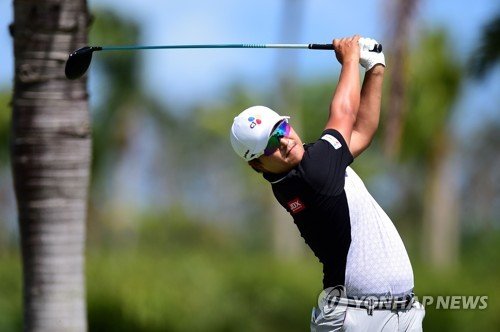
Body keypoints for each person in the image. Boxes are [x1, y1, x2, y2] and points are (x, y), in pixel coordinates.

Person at [229, 35, 425, 331]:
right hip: (356, 317)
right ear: (257, 163)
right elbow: (344, 114)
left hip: (399, 314)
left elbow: (360, 134)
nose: (284, 141)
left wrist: (375, 68)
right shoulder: (313, 173)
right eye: (270, 143)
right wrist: (349, 59)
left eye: (281, 127)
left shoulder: (310, 165)